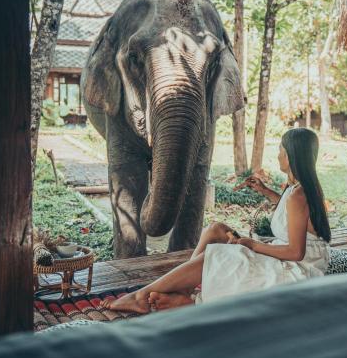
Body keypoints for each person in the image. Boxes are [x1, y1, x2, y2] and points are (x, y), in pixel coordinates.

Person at [102, 128, 331, 313]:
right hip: (293, 254)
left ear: (292, 155)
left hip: (297, 268)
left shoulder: (298, 196)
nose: (278, 154)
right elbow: (294, 213)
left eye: (281, 149)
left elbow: (295, 252)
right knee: (216, 230)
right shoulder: (298, 189)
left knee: (219, 255)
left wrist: (252, 246)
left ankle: (141, 296)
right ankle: (186, 290)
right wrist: (265, 191)